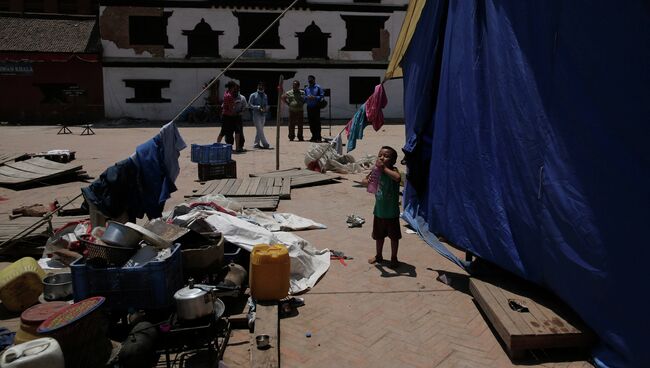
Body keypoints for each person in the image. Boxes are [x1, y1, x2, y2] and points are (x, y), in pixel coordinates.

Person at [364, 146, 402, 268]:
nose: (382, 157)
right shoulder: (376, 170)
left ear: (393, 161)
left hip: (392, 213)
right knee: (378, 237)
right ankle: (378, 255)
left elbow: (398, 178)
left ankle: (394, 258)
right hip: (379, 212)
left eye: (386, 156)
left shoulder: (393, 171)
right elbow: (364, 182)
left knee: (394, 238)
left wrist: (384, 168)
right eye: (380, 155)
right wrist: (368, 180)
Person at [248, 81, 270, 149]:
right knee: (260, 129)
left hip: (263, 114)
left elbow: (266, 104)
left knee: (259, 129)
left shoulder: (265, 95)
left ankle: (256, 144)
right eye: (260, 85)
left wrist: (266, 108)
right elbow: (249, 105)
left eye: (262, 86)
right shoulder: (253, 95)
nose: (261, 87)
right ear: (257, 86)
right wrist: (257, 107)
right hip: (256, 114)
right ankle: (265, 144)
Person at [304, 75, 325, 142]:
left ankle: (318, 137)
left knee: (317, 122)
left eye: (311, 79)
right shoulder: (306, 88)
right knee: (311, 122)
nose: (310, 81)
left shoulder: (318, 87)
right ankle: (313, 136)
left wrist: (315, 97)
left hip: (316, 107)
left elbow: (322, 96)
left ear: (314, 80)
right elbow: (304, 97)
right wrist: (307, 97)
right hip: (309, 107)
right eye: (309, 79)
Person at [217, 81, 238, 146]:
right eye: (234, 86)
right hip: (228, 116)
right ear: (232, 87)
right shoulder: (229, 96)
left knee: (223, 131)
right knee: (224, 132)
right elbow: (230, 108)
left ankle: (218, 144)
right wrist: (235, 105)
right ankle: (218, 144)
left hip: (225, 115)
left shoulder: (226, 93)